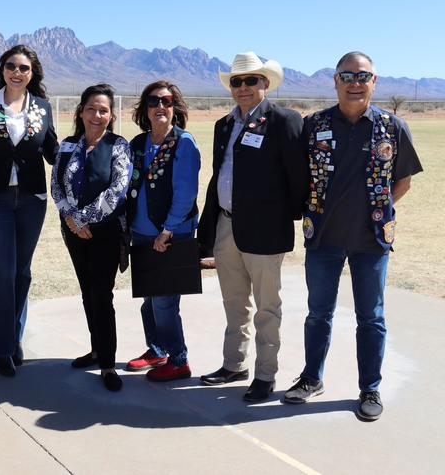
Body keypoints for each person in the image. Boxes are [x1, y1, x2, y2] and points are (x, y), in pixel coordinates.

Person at [284, 52, 423, 421]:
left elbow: (403, 180)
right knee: (318, 313)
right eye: (347, 76)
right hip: (323, 239)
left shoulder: (391, 127)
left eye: (363, 76)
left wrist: (375, 212)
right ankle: (311, 378)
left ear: (374, 82)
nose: (355, 83)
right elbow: (297, 176)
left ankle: (370, 388)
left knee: (371, 317)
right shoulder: (314, 125)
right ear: (335, 81)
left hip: (371, 241)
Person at [197, 52, 308, 403]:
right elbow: (220, 176)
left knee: (266, 308)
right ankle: (234, 365)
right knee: (234, 303)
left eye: (250, 80)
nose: (242, 88)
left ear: (265, 83)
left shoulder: (285, 121)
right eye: (236, 81)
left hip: (264, 231)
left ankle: (265, 375)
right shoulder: (223, 125)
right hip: (226, 227)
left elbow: (298, 179)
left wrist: (280, 218)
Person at [0, 45, 59, 377]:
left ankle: (14, 337)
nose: (16, 72)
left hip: (33, 199)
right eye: (11, 66)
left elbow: (53, 151)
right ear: (1, 69)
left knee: (23, 272)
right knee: (4, 271)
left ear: (32, 73)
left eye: (23, 68)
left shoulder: (42, 107)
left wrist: (86, 154)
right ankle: (2, 349)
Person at [51, 83, 132, 391]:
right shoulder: (68, 144)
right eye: (91, 109)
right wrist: (71, 220)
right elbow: (57, 186)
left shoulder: (118, 145)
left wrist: (82, 218)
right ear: (81, 111)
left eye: (103, 110)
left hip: (106, 232)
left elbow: (117, 190)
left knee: (102, 294)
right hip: (74, 232)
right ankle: (96, 349)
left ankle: (108, 364)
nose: (96, 115)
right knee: (87, 292)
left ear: (111, 115)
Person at [125, 81, 201, 382]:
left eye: (167, 102)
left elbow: (185, 191)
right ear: (145, 108)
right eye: (154, 101)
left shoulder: (184, 142)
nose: (160, 107)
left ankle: (179, 359)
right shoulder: (139, 144)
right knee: (149, 298)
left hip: (170, 235)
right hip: (142, 235)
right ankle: (157, 350)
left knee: (164, 301)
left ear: (175, 108)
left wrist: (167, 230)